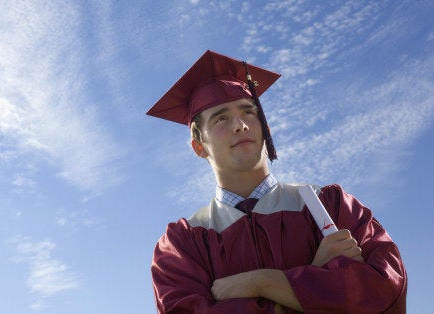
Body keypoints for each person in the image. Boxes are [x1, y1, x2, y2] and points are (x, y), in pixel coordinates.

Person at [147, 50, 407, 313]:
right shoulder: (183, 243)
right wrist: (316, 278)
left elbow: (383, 288)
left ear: (266, 129)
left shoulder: (330, 204)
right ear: (198, 146)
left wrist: (263, 282)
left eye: (249, 113)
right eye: (221, 118)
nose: (240, 125)